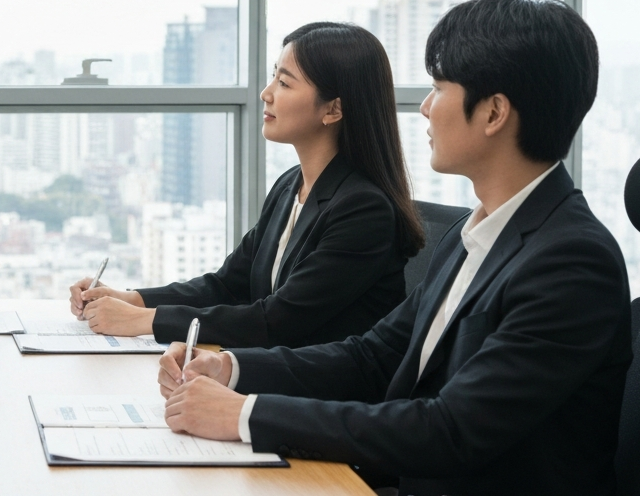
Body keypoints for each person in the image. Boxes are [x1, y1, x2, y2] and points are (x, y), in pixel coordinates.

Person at [159, 0, 629, 496]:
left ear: (493, 113)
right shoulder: (476, 235)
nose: (425, 107)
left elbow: (449, 431)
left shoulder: (570, 262)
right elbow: (374, 356)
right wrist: (231, 367)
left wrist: (246, 414)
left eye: (439, 87)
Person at [70, 22, 421, 348]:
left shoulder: (364, 210)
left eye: (284, 83)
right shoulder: (291, 186)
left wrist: (145, 320)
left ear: (333, 110)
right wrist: (131, 299)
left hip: (322, 398)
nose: (266, 94)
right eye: (273, 78)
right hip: (271, 375)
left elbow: (278, 320)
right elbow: (228, 285)